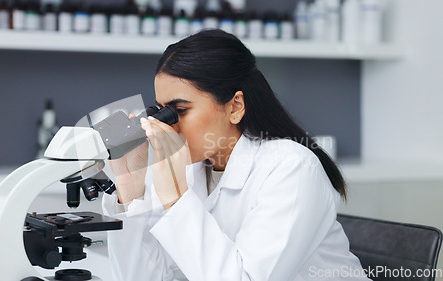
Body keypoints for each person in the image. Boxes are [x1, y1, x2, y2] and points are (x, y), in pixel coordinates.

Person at [102, 29, 370, 281]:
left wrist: (176, 198)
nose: (165, 124)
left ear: (235, 106)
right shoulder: (191, 171)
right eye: (160, 110)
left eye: (179, 110)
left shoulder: (292, 167)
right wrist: (130, 187)